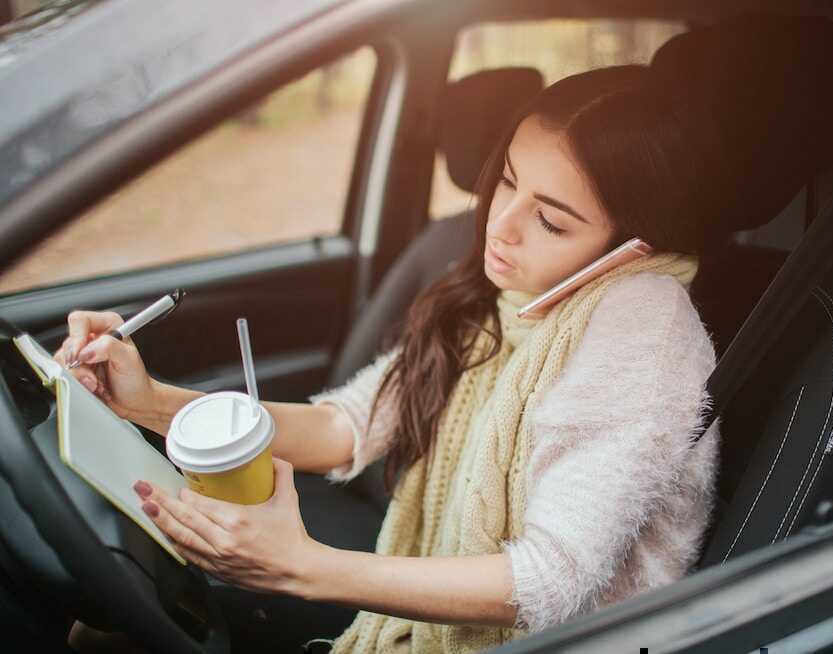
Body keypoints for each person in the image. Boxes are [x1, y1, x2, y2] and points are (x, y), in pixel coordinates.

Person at [58, 65, 721, 653]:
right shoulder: (514, 296)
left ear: (632, 244)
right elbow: (349, 425)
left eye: (551, 220)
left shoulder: (644, 324)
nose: (499, 224)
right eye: (508, 182)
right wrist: (145, 401)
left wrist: (304, 566)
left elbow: (552, 580)